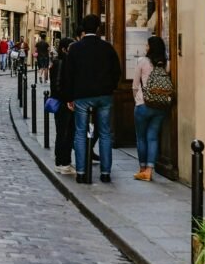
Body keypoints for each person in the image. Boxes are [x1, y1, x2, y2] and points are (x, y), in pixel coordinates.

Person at [65, 13, 121, 184]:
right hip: (104, 96)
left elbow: (69, 74)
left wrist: (70, 97)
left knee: (80, 133)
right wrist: (109, 88)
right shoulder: (107, 47)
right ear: (98, 28)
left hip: (82, 96)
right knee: (105, 133)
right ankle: (105, 173)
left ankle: (81, 172)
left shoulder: (75, 48)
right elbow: (117, 72)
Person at [132, 35, 169, 181]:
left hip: (143, 103)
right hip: (160, 105)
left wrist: (137, 99)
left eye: (147, 45)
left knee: (141, 138)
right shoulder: (166, 63)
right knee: (152, 138)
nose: (146, 47)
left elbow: (135, 85)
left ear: (151, 47)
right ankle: (149, 170)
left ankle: (142, 168)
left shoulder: (142, 61)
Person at [49, 37, 75, 174]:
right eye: (70, 47)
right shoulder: (59, 63)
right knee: (63, 133)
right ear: (64, 49)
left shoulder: (66, 63)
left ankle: (65, 161)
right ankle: (61, 162)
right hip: (62, 104)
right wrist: (67, 100)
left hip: (65, 102)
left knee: (67, 133)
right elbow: (57, 86)